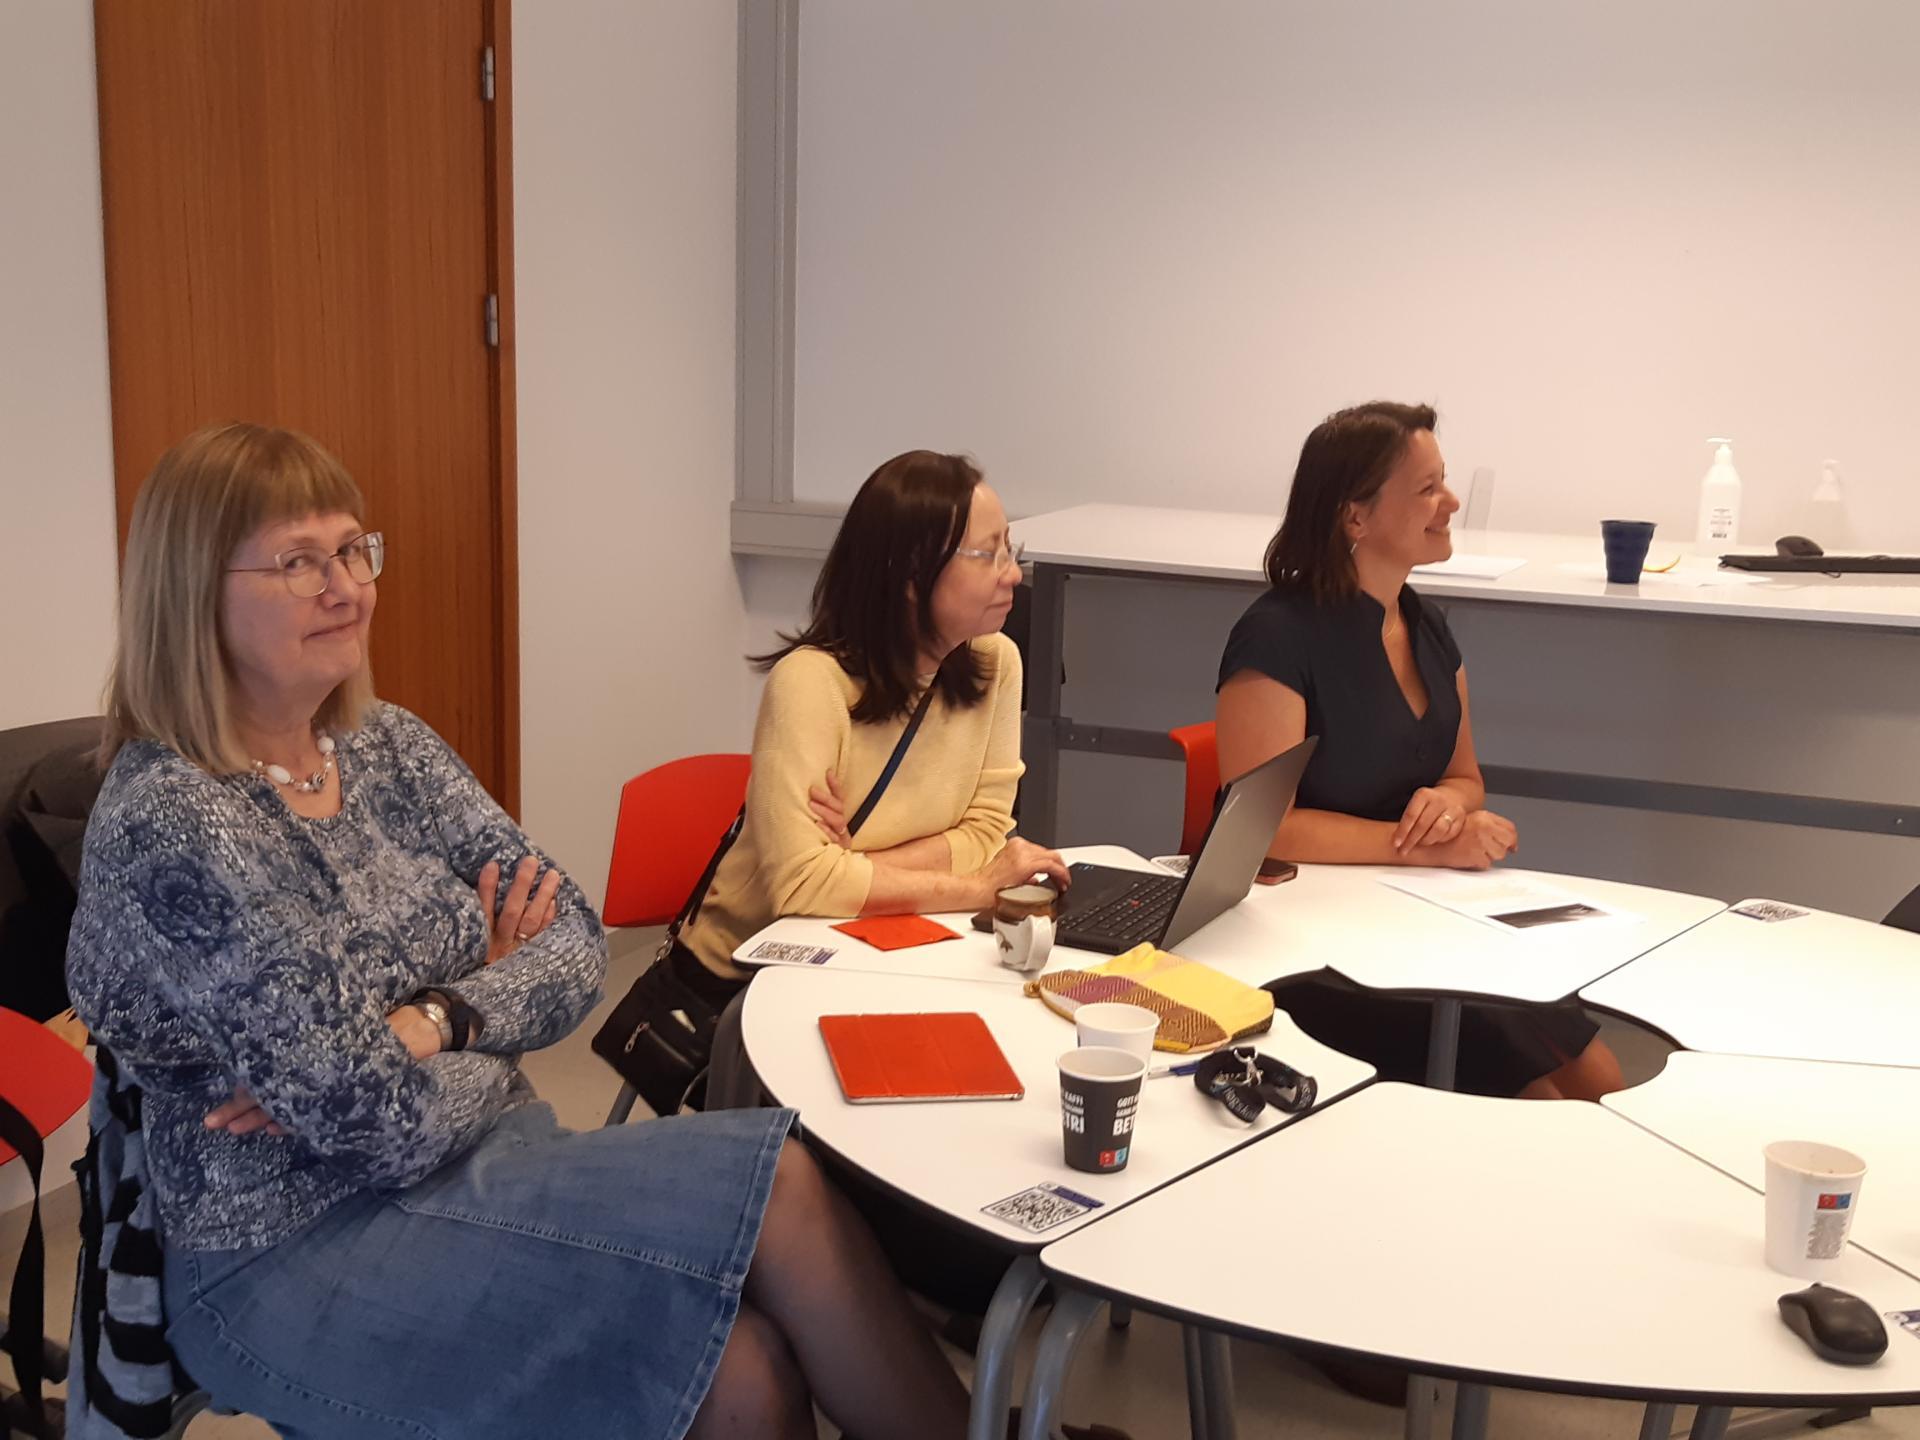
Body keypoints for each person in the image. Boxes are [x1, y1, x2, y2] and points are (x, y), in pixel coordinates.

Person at [65, 423, 969, 1440]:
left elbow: (574, 942)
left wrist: (436, 1019)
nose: (347, 587)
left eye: (354, 549)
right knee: (768, 1245)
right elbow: (369, 1121)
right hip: (290, 1249)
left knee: (751, 1342)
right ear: (193, 593)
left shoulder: (386, 744)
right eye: (298, 561)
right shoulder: (178, 818)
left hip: (486, 1157)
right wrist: (479, 1034)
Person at [1215, 402, 1622, 1101]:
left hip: (1417, 913)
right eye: (1428, 488)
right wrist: (1427, 847)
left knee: (1601, 1078)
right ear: (1356, 517)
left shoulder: (1425, 623)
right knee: (1546, 1101)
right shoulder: (1276, 636)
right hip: (1318, 944)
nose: (1451, 502)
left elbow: (1465, 776)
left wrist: (1449, 807)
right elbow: (1263, 830)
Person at [674, 450, 1067, 1071]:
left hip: (892, 943)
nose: (1013, 574)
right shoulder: (810, 684)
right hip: (756, 972)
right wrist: (974, 887)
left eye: (1009, 550)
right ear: (911, 575)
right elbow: (800, 889)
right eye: (987, 555)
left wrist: (851, 865)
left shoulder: (996, 662)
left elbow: (987, 830)